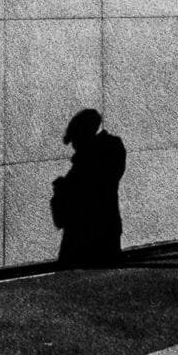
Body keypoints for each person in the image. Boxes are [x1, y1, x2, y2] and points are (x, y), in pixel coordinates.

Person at [52, 108, 127, 267]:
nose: (74, 146)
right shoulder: (109, 149)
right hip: (104, 227)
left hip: (86, 230)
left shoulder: (91, 157)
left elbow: (89, 188)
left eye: (75, 140)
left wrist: (63, 187)